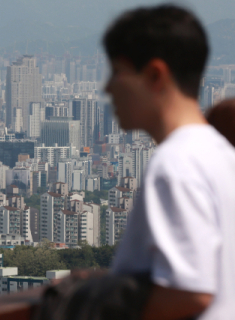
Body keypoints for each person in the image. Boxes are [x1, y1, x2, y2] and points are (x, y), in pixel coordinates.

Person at [103, 5, 235, 319]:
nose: (108, 88)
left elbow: (191, 292)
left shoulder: (175, 165)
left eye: (117, 72)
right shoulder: (222, 154)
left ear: (154, 76)